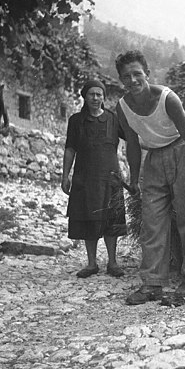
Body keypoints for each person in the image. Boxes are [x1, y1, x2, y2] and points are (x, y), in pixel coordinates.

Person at [115, 50, 185, 305]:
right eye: (126, 76)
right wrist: (134, 179)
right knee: (152, 222)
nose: (133, 80)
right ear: (121, 80)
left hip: (182, 154)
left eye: (137, 74)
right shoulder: (122, 107)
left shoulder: (168, 99)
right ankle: (152, 283)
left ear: (147, 73)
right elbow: (132, 144)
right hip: (154, 159)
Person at [61, 80, 126, 278]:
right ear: (85, 96)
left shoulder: (113, 119)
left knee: (111, 219)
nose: (95, 98)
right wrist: (65, 175)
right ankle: (91, 264)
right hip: (85, 177)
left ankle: (113, 262)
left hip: (110, 177)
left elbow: (132, 139)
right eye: (91, 94)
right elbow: (70, 149)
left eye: (99, 94)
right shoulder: (76, 121)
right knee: (88, 217)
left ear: (103, 97)